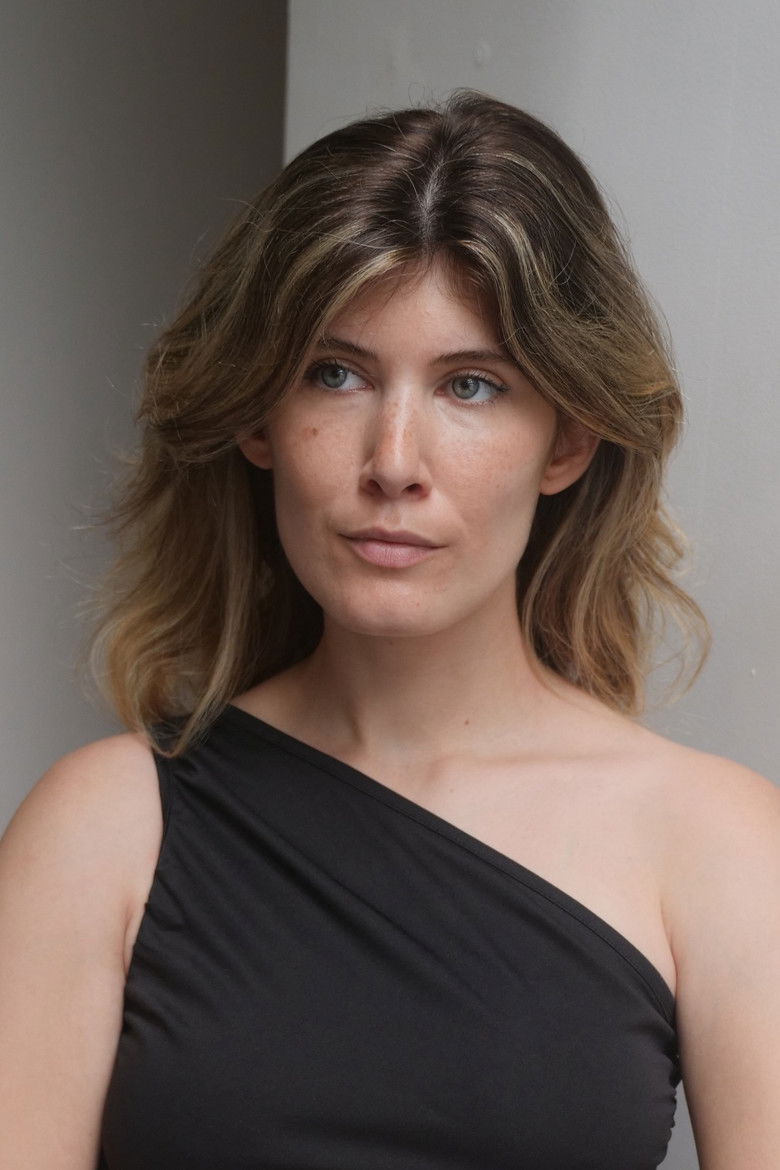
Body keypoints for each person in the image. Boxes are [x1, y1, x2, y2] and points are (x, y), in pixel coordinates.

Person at [0, 90, 778, 1170]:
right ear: (259, 415)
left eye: (472, 386)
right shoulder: (101, 830)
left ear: (568, 443)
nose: (394, 461)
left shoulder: (716, 840)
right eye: (337, 374)